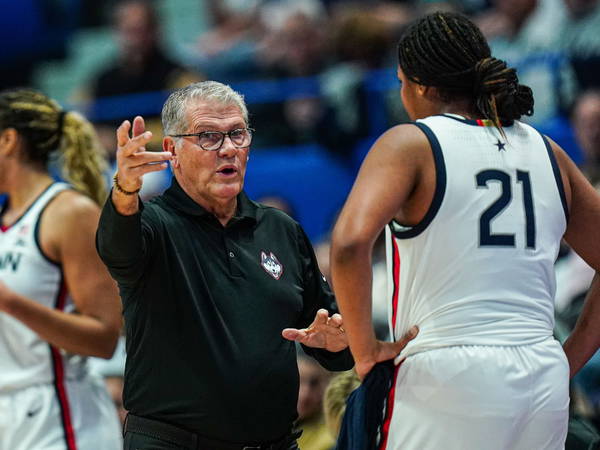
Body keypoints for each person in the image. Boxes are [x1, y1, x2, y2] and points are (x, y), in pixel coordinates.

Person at [330, 11, 600, 450]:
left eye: (400, 82)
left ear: (418, 84)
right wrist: (569, 358)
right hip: (541, 373)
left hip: (448, 372)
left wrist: (364, 351)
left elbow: (348, 244)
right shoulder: (546, 149)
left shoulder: (410, 143)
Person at [95, 81, 386, 450]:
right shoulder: (152, 224)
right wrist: (124, 189)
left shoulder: (281, 229)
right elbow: (116, 250)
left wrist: (334, 343)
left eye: (237, 133)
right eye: (208, 137)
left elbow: (330, 339)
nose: (228, 148)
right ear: (172, 150)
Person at [0, 88, 122, 449]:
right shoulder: (5, 220)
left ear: (8, 140)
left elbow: (104, 338)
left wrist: (12, 303)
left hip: (62, 415)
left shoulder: (69, 212)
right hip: (10, 415)